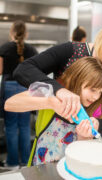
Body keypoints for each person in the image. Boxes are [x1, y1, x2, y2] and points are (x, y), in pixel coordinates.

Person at [13, 15, 102, 140]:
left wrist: (98, 124)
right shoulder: (71, 51)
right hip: (52, 136)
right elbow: (23, 70)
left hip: (89, 144)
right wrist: (59, 90)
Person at [5, 57, 102, 166]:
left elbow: (83, 155)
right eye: (92, 90)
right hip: (40, 167)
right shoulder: (53, 93)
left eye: (101, 92)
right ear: (77, 80)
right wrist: (50, 102)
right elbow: (9, 104)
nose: (96, 97)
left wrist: (83, 137)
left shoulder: (92, 110)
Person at [0, 20, 38, 169]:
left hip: (9, 87)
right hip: (25, 89)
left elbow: (0, 71)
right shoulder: (32, 50)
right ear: (26, 33)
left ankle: (13, 162)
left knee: (10, 126)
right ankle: (26, 161)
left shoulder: (4, 48)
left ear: (12, 32)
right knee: (25, 126)